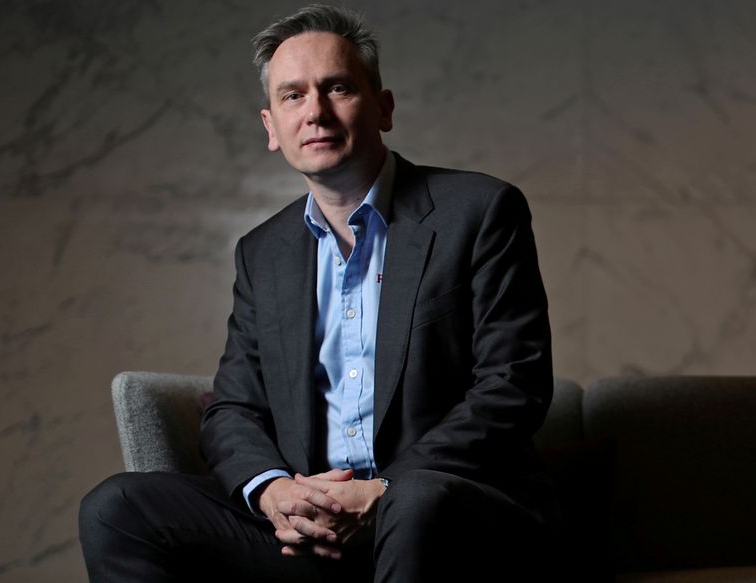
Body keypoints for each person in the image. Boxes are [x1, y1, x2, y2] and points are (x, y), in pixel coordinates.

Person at [79, 4, 554, 581]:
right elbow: (234, 407)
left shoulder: (478, 211)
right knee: (119, 509)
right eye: (293, 96)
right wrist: (274, 492)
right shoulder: (263, 252)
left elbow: (513, 384)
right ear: (271, 128)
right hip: (313, 529)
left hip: (447, 515)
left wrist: (383, 488)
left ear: (383, 108)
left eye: (337, 88)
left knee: (416, 501)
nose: (316, 112)